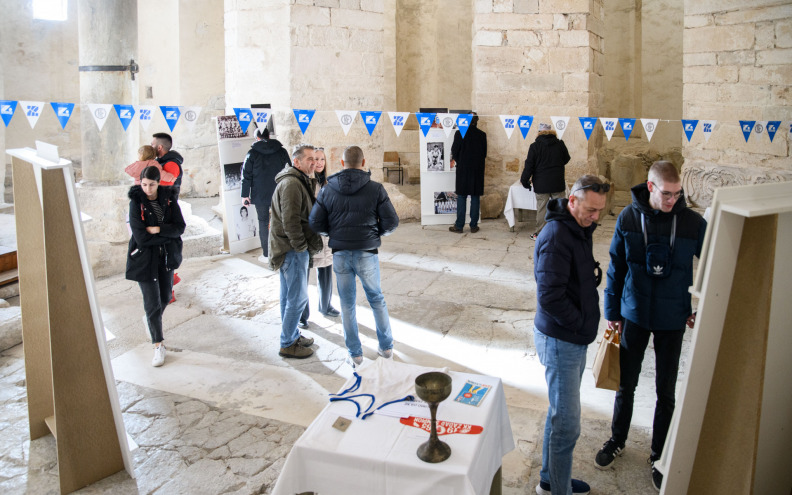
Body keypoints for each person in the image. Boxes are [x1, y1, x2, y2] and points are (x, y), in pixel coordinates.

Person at [595, 161, 706, 491]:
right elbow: (616, 268)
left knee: (665, 390)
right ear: (650, 186)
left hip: (673, 318)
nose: (672, 200)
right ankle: (617, 439)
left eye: (677, 194)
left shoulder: (692, 222)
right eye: (666, 193)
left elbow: (716, 262)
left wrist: (703, 304)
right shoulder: (629, 217)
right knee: (625, 383)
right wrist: (612, 310)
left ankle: (660, 453)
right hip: (635, 313)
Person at [534, 175, 609, 495]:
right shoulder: (556, 235)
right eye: (591, 209)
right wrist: (580, 323)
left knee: (559, 415)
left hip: (573, 339)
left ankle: (550, 480)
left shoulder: (579, 227)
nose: (596, 217)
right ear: (573, 200)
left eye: (600, 211)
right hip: (561, 340)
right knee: (567, 426)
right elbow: (549, 296)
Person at [309, 146, 399, 367]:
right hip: (367, 252)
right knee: (376, 299)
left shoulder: (327, 190)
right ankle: (386, 349)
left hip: (340, 254)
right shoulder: (376, 188)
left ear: (341, 163)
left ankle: (355, 354)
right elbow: (392, 222)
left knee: (347, 304)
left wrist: (333, 233)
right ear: (363, 162)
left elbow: (315, 222)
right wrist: (375, 234)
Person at [125, 166, 185, 367]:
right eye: (143, 185)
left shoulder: (168, 199)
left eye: (151, 184)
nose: (147, 189)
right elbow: (140, 237)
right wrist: (165, 236)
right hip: (144, 259)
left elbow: (180, 227)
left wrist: (158, 229)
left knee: (165, 297)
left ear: (158, 183)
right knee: (152, 303)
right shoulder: (136, 202)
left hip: (166, 257)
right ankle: (158, 345)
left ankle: (151, 320)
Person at [269, 144, 324, 359]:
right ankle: (287, 343)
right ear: (297, 162)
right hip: (291, 250)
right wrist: (301, 248)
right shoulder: (292, 183)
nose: (313, 162)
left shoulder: (298, 180)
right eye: (308, 159)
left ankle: (291, 334)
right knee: (298, 298)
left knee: (288, 296)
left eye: (314, 158)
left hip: (290, 248)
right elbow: (289, 221)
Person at [299, 147, 340, 325]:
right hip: (310, 233)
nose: (319, 163)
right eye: (315, 159)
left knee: (325, 270)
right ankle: (302, 314)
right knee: (304, 276)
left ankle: (325, 305)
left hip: (326, 234)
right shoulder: (305, 182)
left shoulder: (329, 183)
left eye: (322, 159)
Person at [242, 127, 291, 262]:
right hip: (280, 192)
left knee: (263, 222)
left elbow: (246, 175)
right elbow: (289, 170)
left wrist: (245, 195)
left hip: (260, 194)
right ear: (269, 136)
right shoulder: (281, 151)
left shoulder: (252, 153)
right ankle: (282, 251)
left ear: (257, 138)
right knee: (281, 221)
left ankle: (266, 253)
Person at [521, 122, 571, 240]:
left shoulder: (535, 146)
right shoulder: (559, 144)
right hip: (557, 181)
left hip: (541, 182)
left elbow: (529, 165)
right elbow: (567, 158)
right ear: (551, 132)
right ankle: (560, 233)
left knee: (542, 208)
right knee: (559, 208)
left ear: (539, 132)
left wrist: (524, 180)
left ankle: (540, 234)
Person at [449, 112, 487, 234]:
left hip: (463, 170)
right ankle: (474, 226)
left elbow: (454, 152)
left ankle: (459, 226)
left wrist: (462, 162)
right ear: (476, 121)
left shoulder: (459, 133)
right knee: (475, 197)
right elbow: (484, 154)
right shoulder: (482, 135)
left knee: (462, 196)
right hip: (477, 170)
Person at [151, 132, 184, 197]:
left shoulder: (171, 164)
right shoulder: (160, 161)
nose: (150, 148)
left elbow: (164, 188)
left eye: (152, 145)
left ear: (159, 147)